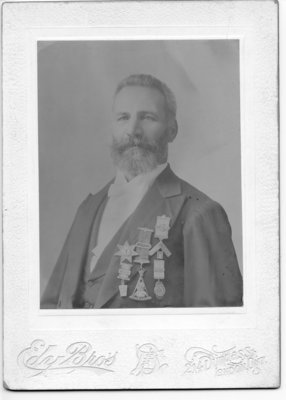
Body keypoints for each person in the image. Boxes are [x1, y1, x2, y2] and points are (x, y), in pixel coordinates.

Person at [41, 74, 243, 309]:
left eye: (148, 117)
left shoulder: (199, 213)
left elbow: (215, 324)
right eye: (123, 118)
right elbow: (49, 306)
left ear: (172, 130)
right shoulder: (87, 209)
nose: (133, 130)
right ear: (112, 128)